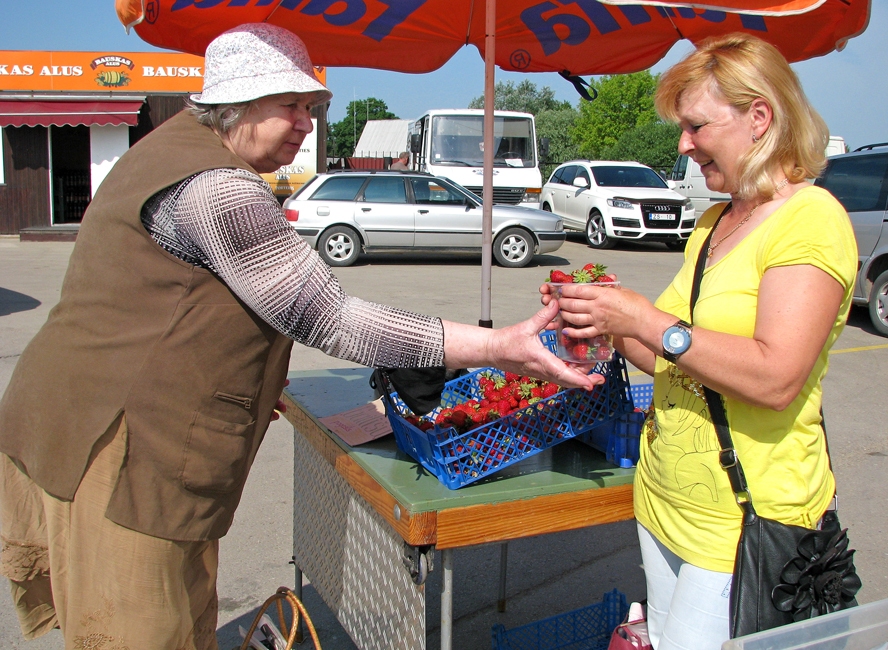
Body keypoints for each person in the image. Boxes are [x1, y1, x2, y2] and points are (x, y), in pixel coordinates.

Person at [0, 24, 600, 649]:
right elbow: (328, 316)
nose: (306, 124)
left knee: (179, 618)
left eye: (310, 108)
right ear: (237, 103)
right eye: (290, 106)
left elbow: (183, 302)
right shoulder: (217, 188)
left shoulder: (173, 148)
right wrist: (500, 346)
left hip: (77, 412)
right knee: (140, 627)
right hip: (116, 444)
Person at [544, 33, 857, 649]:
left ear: (759, 117)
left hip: (743, 521)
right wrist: (604, 319)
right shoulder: (716, 222)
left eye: (695, 126)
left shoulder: (810, 218)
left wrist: (644, 318)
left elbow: (776, 377)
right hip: (664, 503)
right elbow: (668, 353)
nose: (684, 144)